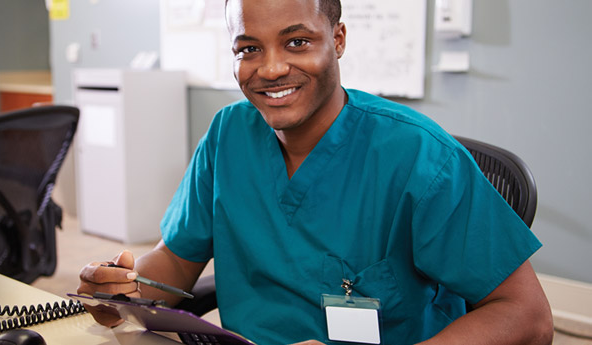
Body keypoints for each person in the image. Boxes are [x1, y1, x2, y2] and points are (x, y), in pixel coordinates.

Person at [77, 0, 554, 344]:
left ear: (338, 40)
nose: (271, 68)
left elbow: (528, 316)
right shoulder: (228, 135)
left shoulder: (420, 157)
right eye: (248, 50)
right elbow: (177, 261)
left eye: (297, 42)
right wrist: (124, 288)